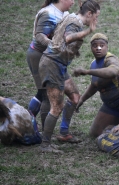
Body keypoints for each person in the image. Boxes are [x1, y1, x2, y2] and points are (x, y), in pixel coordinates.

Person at [38, 0, 100, 152]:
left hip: (58, 64)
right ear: (89, 14)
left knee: (74, 97)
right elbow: (68, 38)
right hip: (52, 64)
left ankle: (63, 133)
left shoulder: (70, 17)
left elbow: (60, 39)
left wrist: (72, 51)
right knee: (56, 106)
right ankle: (45, 144)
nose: (96, 21)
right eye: (96, 17)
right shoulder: (76, 23)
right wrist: (88, 32)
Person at [26, 0, 74, 133]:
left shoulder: (64, 13)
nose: (74, 1)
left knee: (43, 93)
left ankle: (28, 120)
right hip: (39, 56)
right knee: (46, 95)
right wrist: (55, 45)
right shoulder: (48, 13)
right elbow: (40, 35)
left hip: (53, 57)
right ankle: (41, 132)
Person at [72, 33, 119, 138]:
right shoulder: (94, 64)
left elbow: (112, 72)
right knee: (95, 133)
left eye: (102, 45)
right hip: (110, 105)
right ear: (91, 48)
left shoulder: (111, 59)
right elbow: (95, 85)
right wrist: (82, 100)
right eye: (95, 46)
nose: (98, 48)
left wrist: (87, 71)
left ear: (107, 47)